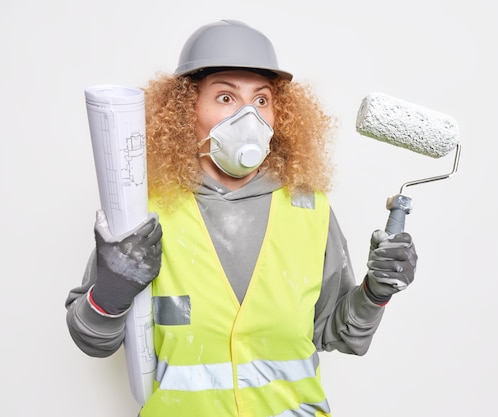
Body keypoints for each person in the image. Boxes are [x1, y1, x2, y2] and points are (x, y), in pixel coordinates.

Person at [65, 19, 417, 417]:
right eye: (226, 98)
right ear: (186, 109)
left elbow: (340, 333)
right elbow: (91, 339)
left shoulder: (309, 209)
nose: (248, 116)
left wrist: (376, 291)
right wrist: (111, 290)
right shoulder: (144, 213)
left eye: (262, 100)